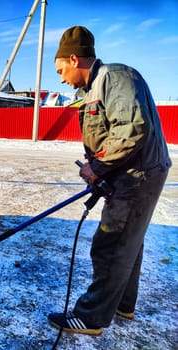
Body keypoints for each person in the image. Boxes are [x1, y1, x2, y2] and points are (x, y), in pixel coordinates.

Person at [48, 26, 172, 335]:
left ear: (74, 59)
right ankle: (122, 304)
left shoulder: (114, 77)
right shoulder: (92, 89)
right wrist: (97, 169)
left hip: (138, 174)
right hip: (129, 172)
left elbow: (133, 130)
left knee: (111, 242)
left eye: (61, 70)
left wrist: (98, 167)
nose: (61, 78)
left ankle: (91, 317)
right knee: (129, 240)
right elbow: (105, 134)